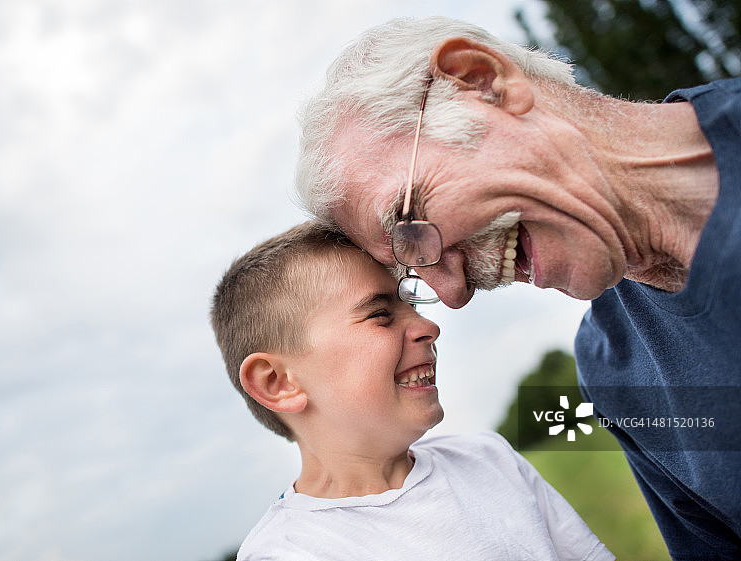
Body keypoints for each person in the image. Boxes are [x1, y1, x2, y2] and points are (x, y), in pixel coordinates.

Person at [294, 16, 741, 560]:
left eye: (408, 226)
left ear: (482, 81)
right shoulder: (615, 371)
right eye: (412, 272)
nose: (453, 293)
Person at [210, 221, 614, 561]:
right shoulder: (291, 552)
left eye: (414, 306)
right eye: (381, 314)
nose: (429, 327)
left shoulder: (490, 460)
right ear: (277, 383)